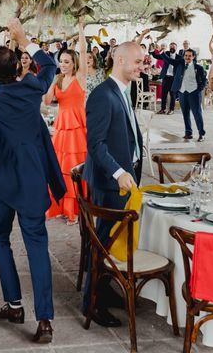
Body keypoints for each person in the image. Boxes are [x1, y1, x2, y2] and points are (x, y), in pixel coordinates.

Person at [0, 18, 65, 344]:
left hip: (1, 182)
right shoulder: (33, 87)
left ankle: (14, 304)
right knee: (38, 246)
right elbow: (49, 63)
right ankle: (46, 320)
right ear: (18, 68)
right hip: (33, 179)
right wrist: (26, 39)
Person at [84, 41, 144, 328]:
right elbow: (96, 144)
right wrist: (119, 172)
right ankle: (91, 302)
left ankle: (105, 289)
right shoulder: (101, 95)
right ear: (119, 60)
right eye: (138, 62)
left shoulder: (123, 90)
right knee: (103, 242)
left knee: (110, 240)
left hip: (124, 177)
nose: (142, 67)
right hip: (110, 182)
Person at [44, 20, 88, 225]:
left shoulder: (80, 76)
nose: (63, 64)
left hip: (78, 128)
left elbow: (84, 50)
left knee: (75, 167)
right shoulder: (58, 79)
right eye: (61, 61)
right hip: (61, 128)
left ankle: (76, 209)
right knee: (60, 167)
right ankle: (62, 206)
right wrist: (53, 81)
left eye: (67, 61)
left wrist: (80, 30)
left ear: (74, 63)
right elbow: (45, 101)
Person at [162, 48, 207, 141]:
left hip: (193, 93)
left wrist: (199, 89)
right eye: (186, 55)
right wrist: (162, 53)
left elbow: (204, 80)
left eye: (189, 56)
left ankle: (201, 134)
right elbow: (170, 60)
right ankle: (188, 133)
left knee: (197, 114)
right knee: (185, 114)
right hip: (182, 92)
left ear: (193, 57)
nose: (187, 57)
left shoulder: (199, 68)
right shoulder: (179, 64)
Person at [151, 41, 179, 115]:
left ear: (176, 48)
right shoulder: (166, 54)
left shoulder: (179, 57)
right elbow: (156, 56)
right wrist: (153, 50)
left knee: (172, 94)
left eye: (173, 46)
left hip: (173, 78)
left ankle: (171, 109)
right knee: (164, 94)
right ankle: (162, 109)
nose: (172, 47)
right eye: (171, 46)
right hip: (166, 77)